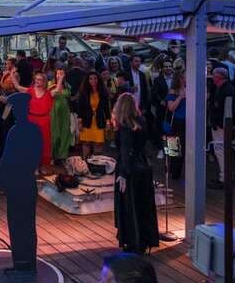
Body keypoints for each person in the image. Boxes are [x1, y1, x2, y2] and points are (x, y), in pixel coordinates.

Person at [112, 94, 159, 254]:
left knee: (130, 207)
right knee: (144, 205)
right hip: (144, 166)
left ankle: (133, 242)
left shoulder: (125, 127)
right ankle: (146, 240)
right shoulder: (142, 122)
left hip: (130, 170)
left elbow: (126, 152)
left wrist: (123, 174)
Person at [11, 70, 64, 172]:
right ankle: (32, 165)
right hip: (31, 120)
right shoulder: (30, 91)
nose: (37, 81)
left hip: (44, 121)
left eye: (40, 80)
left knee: (44, 144)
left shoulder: (48, 93)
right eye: (36, 79)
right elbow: (18, 87)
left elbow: (57, 90)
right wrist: (12, 75)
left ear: (44, 81)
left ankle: (42, 166)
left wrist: (60, 78)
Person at [209, 66, 235, 188]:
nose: (212, 78)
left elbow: (223, 109)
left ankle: (225, 178)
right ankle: (225, 176)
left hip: (221, 126)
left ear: (219, 77)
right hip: (221, 124)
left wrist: (217, 123)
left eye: (214, 76)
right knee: (222, 151)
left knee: (221, 150)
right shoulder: (225, 88)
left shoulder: (226, 90)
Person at [77, 71, 110, 159]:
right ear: (87, 81)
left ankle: (96, 166)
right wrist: (79, 122)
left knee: (98, 144)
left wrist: (108, 121)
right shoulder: (84, 93)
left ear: (98, 80)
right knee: (86, 143)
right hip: (86, 121)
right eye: (91, 79)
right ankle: (85, 164)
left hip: (99, 121)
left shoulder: (103, 92)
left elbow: (106, 109)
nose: (93, 81)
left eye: (95, 78)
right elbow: (80, 109)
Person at [164, 71, 187, 179]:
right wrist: (180, 97)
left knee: (184, 148)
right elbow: (171, 107)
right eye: (185, 77)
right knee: (173, 147)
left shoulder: (192, 89)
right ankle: (171, 171)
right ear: (180, 79)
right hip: (177, 122)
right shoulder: (173, 91)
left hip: (189, 122)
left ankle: (177, 171)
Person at [49, 67, 73, 163]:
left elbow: (69, 98)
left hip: (65, 112)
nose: (60, 75)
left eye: (62, 73)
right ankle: (54, 155)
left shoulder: (67, 86)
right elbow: (52, 95)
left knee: (65, 133)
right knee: (55, 134)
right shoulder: (51, 85)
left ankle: (62, 156)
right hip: (54, 111)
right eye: (58, 74)